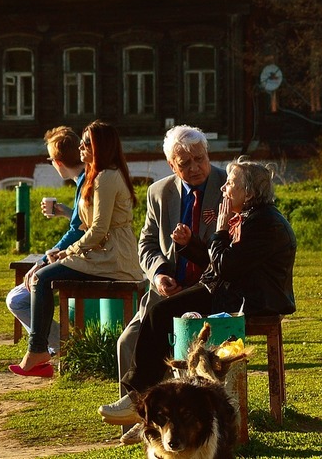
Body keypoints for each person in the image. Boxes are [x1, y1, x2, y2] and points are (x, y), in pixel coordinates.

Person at [99, 157, 296, 426]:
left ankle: (139, 400)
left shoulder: (264, 223)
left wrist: (220, 230)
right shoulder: (253, 217)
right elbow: (223, 264)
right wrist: (190, 243)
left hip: (250, 301)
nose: (223, 189)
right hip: (234, 292)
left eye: (230, 184)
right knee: (164, 312)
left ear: (248, 193)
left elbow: (226, 266)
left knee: (160, 312)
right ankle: (148, 406)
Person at [114, 125, 226, 443]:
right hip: (167, 291)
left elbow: (228, 248)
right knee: (126, 342)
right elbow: (146, 244)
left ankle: (168, 421)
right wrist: (160, 273)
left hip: (208, 288)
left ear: (208, 155)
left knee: (167, 332)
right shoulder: (159, 192)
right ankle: (139, 424)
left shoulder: (227, 185)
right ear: (171, 166)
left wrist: (194, 246)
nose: (194, 168)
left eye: (199, 159)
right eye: (185, 163)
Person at [10, 121, 142, 377]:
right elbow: (85, 224)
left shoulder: (107, 177)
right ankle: (41, 348)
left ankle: (38, 348)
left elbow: (99, 230)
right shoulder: (97, 175)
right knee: (42, 275)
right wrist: (62, 243)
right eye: (81, 141)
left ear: (101, 147)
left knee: (41, 277)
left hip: (113, 257)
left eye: (87, 143)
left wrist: (66, 252)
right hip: (99, 254)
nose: (80, 147)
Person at [5, 126, 87, 355]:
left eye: (51, 159)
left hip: (87, 258)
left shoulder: (85, 183)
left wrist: (43, 260)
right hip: (85, 254)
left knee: (17, 298)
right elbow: (84, 224)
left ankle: (60, 345)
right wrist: (67, 212)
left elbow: (78, 232)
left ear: (58, 163)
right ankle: (55, 345)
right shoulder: (86, 180)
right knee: (22, 292)